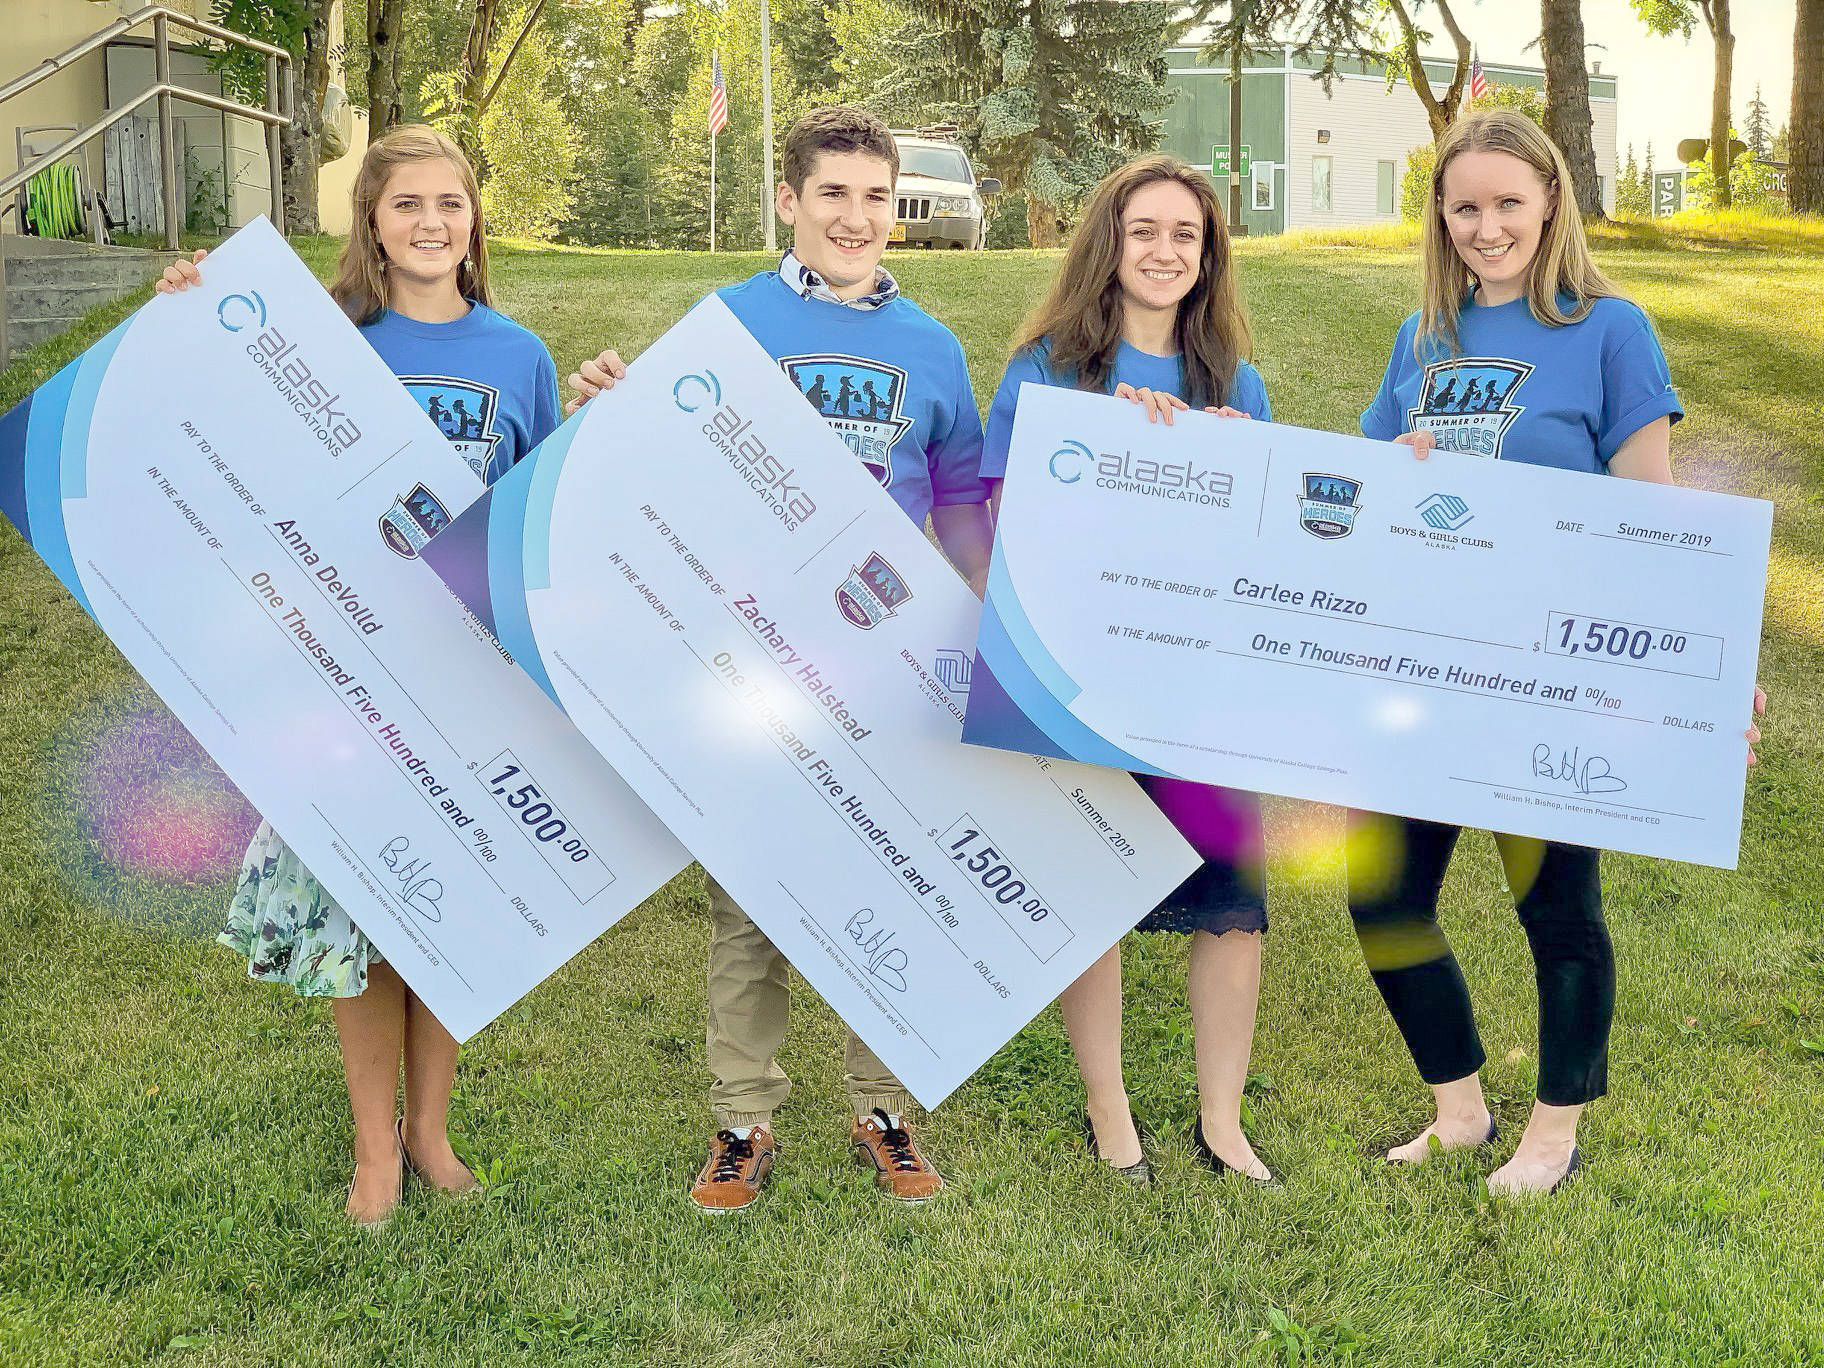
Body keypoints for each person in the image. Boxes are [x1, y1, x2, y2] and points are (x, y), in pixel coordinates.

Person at [567, 106, 994, 1212]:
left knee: (891, 885)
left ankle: (885, 1108)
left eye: (873, 197)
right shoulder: (727, 323)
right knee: (752, 897)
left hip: (887, 666)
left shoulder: (934, 349)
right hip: (748, 659)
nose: (856, 218)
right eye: (833, 195)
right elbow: (653, 457)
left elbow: (957, 511)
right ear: (788, 203)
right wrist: (602, 404)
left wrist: (968, 633)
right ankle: (743, 1120)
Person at [1355, 108, 1765, 1196]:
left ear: (1550, 204)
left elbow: (1659, 520)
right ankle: (1459, 1110)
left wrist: (1710, 677)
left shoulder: (1610, 328)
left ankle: (1554, 1130)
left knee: (1557, 908)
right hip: (1425, 666)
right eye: (1465, 207)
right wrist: (1395, 468)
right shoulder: (1421, 340)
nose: (1487, 227)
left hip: (1549, 674)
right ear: (1439, 217)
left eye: (1508, 204)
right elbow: (1364, 501)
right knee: (1384, 896)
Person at [158, 124, 560, 1225]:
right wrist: (188, 314)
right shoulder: (324, 338)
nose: (432, 223)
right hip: (340, 675)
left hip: (470, 681)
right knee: (361, 911)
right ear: (370, 224)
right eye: (406, 205)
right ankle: (372, 1146)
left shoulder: (517, 355)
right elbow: (221, 442)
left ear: (475, 222)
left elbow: (536, 521)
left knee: (450, 910)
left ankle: (430, 1131)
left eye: (451, 204)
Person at [979, 154, 1275, 1186]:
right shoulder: (1048, 370)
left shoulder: (1240, 387)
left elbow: (1266, 557)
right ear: (1110, 244)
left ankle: (1223, 1121)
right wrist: (1115, 452)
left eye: (1184, 236)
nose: (1163, 251)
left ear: (1206, 257)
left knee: (1233, 909)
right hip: (1082, 680)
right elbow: (1000, 524)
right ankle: (1112, 1118)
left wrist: (1237, 467)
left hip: (1201, 688)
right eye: (1143, 230)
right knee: (1094, 888)